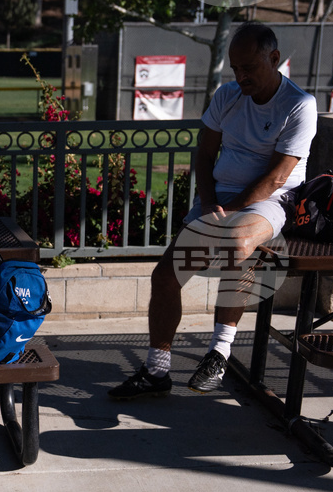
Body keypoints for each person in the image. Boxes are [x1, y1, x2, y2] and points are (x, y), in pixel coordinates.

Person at [109, 22, 317, 400]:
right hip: (219, 197)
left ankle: (219, 353)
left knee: (238, 244)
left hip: (272, 201)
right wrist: (208, 204)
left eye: (248, 68)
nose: (240, 76)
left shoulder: (300, 105)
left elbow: (277, 176)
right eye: (235, 68)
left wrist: (230, 211)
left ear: (274, 59)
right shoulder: (227, 96)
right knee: (166, 276)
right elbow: (204, 156)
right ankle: (157, 370)